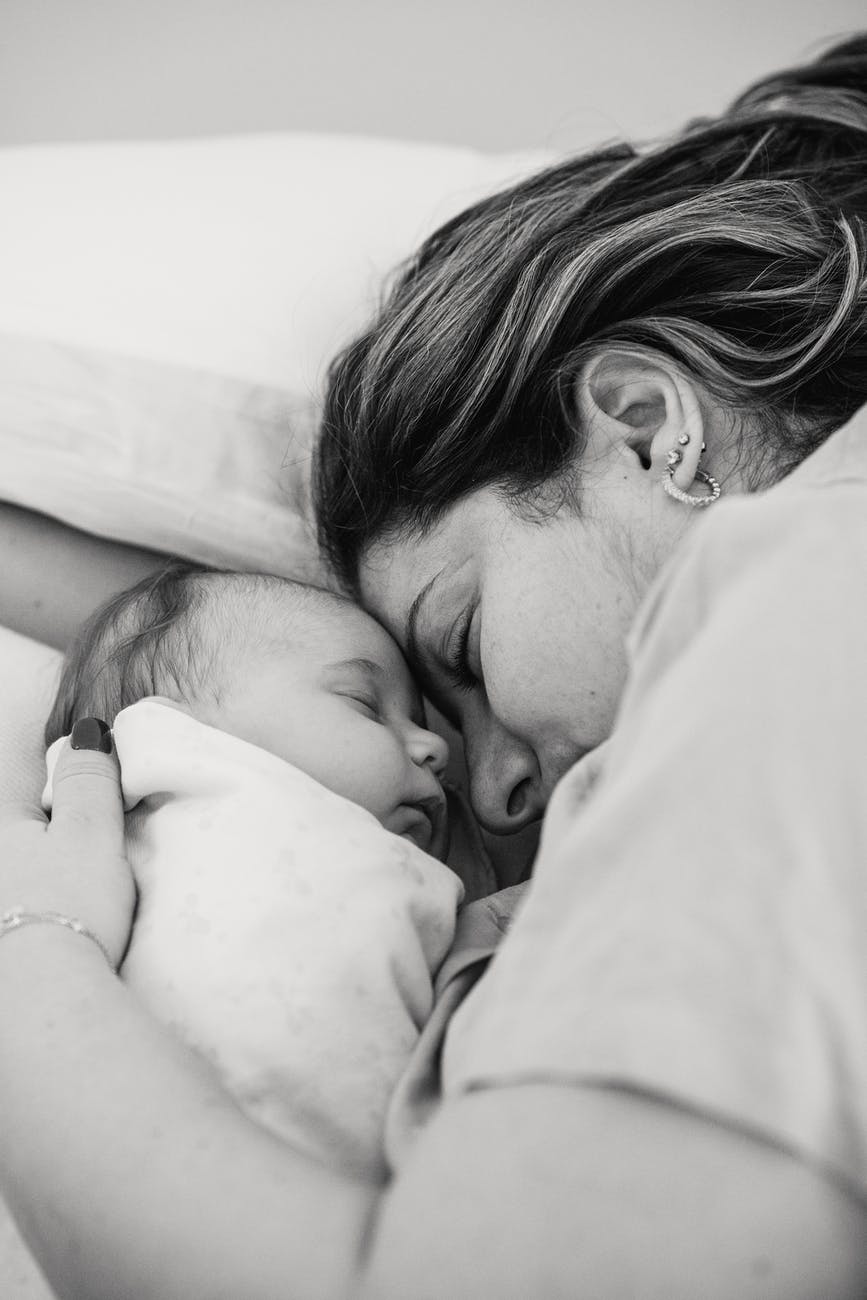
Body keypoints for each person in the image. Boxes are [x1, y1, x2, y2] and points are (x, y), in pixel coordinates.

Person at [1, 33, 867, 1300]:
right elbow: (228, 641)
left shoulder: (792, 593)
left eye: (459, 646)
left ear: (646, 426)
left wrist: (32, 953)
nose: (486, 786)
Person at [41, 561, 465, 1181]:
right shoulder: (156, 765)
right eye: (366, 705)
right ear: (175, 720)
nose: (437, 749)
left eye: (421, 725)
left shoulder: (404, 864)